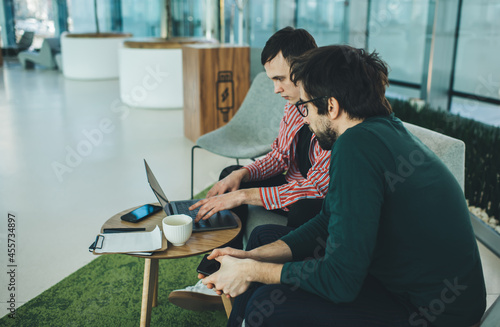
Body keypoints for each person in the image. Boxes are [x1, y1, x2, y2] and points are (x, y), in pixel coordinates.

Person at [199, 45, 487, 327]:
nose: (305, 118)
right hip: (410, 284)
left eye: (306, 106)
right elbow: (328, 218)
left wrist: (253, 270)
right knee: (262, 239)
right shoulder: (383, 127)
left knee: (269, 305)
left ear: (332, 106)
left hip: (431, 311)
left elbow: (340, 281)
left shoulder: (355, 147)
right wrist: (251, 257)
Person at [168, 27, 331, 311]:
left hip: (312, 203)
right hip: (291, 191)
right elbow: (279, 155)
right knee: (231, 175)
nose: (276, 89)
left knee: (306, 204)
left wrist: (244, 196)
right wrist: (240, 176)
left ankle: (269, 285)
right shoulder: (293, 105)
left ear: (303, 68)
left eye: (280, 79)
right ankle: (213, 274)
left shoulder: (328, 115)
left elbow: (316, 187)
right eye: (272, 80)